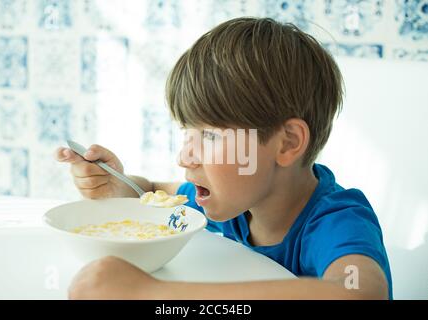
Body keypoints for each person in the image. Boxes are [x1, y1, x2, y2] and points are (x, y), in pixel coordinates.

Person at [55, 17, 392, 299]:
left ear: (287, 143)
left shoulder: (337, 222)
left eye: (211, 136)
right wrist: (119, 187)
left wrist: (151, 293)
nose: (185, 157)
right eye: (188, 133)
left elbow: (357, 292)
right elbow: (157, 192)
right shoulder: (234, 207)